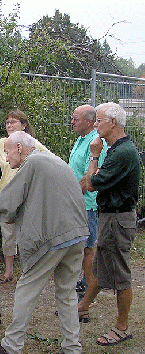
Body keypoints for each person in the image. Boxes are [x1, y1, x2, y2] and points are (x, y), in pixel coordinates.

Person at [0, 131, 89, 354]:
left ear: (19, 147)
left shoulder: (32, 163)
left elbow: (8, 204)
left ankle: (11, 347)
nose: (7, 157)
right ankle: (72, 350)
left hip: (53, 237)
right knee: (67, 292)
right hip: (77, 234)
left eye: (8, 151)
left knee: (27, 288)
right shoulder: (53, 160)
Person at [79, 102, 141, 346]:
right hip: (110, 216)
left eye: (99, 120)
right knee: (99, 266)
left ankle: (122, 327)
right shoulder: (117, 149)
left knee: (120, 274)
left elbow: (92, 183)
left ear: (112, 123)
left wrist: (95, 155)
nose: (95, 125)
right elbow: (90, 179)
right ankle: (82, 307)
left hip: (118, 218)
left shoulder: (123, 153)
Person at [0, 110, 50, 282]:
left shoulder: (32, 144)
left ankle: (31, 269)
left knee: (28, 233)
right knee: (8, 236)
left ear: (24, 125)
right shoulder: (0, 143)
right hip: (5, 194)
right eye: (7, 122)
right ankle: (9, 271)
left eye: (13, 122)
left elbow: (47, 158)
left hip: (28, 196)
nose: (10, 125)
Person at [68, 105, 107, 317]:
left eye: (76, 119)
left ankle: (84, 303)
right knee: (81, 251)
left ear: (90, 122)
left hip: (86, 205)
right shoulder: (81, 139)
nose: (72, 122)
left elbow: (88, 177)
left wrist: (72, 197)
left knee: (87, 252)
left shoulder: (95, 144)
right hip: (76, 203)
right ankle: (81, 296)